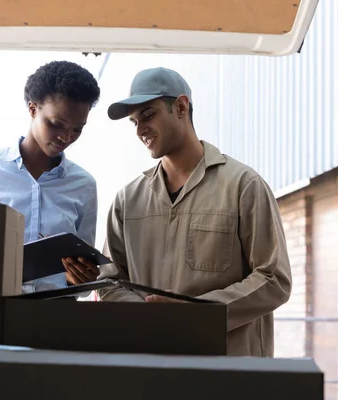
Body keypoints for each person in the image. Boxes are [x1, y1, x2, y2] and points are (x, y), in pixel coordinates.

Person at [98, 67, 292, 357]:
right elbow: (109, 280)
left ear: (181, 106)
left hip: (226, 370)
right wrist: (147, 317)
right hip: (150, 368)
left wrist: (198, 314)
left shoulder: (243, 186)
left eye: (148, 115)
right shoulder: (128, 200)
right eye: (134, 122)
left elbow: (275, 278)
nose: (140, 130)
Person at [0, 60, 101, 293]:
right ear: (33, 109)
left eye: (77, 129)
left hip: (55, 315)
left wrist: (80, 278)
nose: (66, 138)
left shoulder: (83, 185)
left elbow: (84, 285)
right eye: (57, 124)